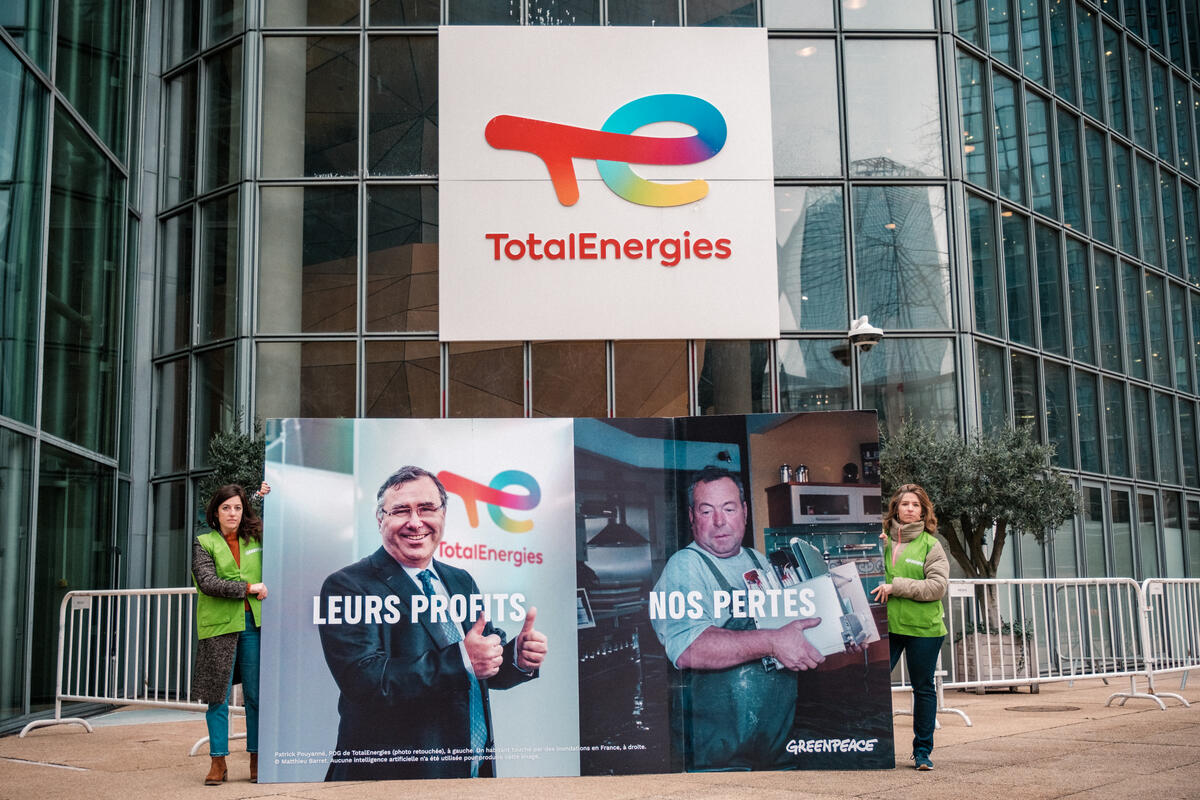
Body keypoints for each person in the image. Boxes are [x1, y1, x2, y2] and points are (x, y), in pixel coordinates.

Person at [317, 465, 548, 781]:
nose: (415, 522)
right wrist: (464, 658)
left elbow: (481, 666)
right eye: (401, 511)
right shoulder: (348, 585)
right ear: (380, 519)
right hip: (393, 779)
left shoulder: (460, 581)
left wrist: (516, 659)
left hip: (471, 769)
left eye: (426, 509)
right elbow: (366, 682)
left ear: (443, 515)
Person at [649, 466, 825, 771]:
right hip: (717, 752)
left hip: (775, 742)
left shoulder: (758, 560)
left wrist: (835, 635)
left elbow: (791, 633)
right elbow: (690, 647)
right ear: (692, 516)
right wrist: (771, 642)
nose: (720, 521)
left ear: (743, 511)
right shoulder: (686, 566)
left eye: (729, 508)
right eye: (707, 511)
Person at [191, 481, 271, 785]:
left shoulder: (257, 537)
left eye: (238, 507)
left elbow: (279, 521)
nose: (232, 513)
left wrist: (261, 497)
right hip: (219, 628)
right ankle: (218, 761)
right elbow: (208, 582)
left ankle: (257, 757)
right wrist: (248, 588)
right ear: (216, 512)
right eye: (226, 507)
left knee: (255, 696)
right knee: (218, 697)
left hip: (254, 626)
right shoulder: (204, 542)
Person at [870, 483, 949, 772]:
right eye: (904, 504)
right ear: (896, 508)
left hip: (923, 629)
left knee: (923, 688)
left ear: (923, 511)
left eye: (915, 505)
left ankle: (923, 752)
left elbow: (937, 587)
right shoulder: (880, 540)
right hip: (887, 627)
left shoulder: (931, 545)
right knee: (872, 684)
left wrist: (897, 587)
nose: (910, 509)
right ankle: (868, 745)